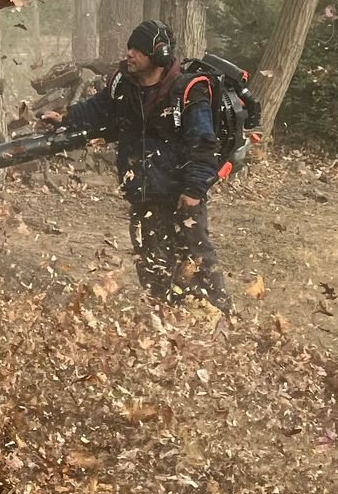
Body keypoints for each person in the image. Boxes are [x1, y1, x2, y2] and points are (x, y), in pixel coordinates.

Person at [42, 18, 229, 316]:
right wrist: (67, 117)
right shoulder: (123, 84)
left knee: (195, 260)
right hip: (142, 193)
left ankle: (222, 320)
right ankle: (165, 319)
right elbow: (99, 108)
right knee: (150, 262)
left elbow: (203, 143)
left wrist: (194, 190)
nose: (130, 54)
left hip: (180, 195)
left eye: (137, 50)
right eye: (129, 48)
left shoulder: (188, 91)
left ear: (159, 54)